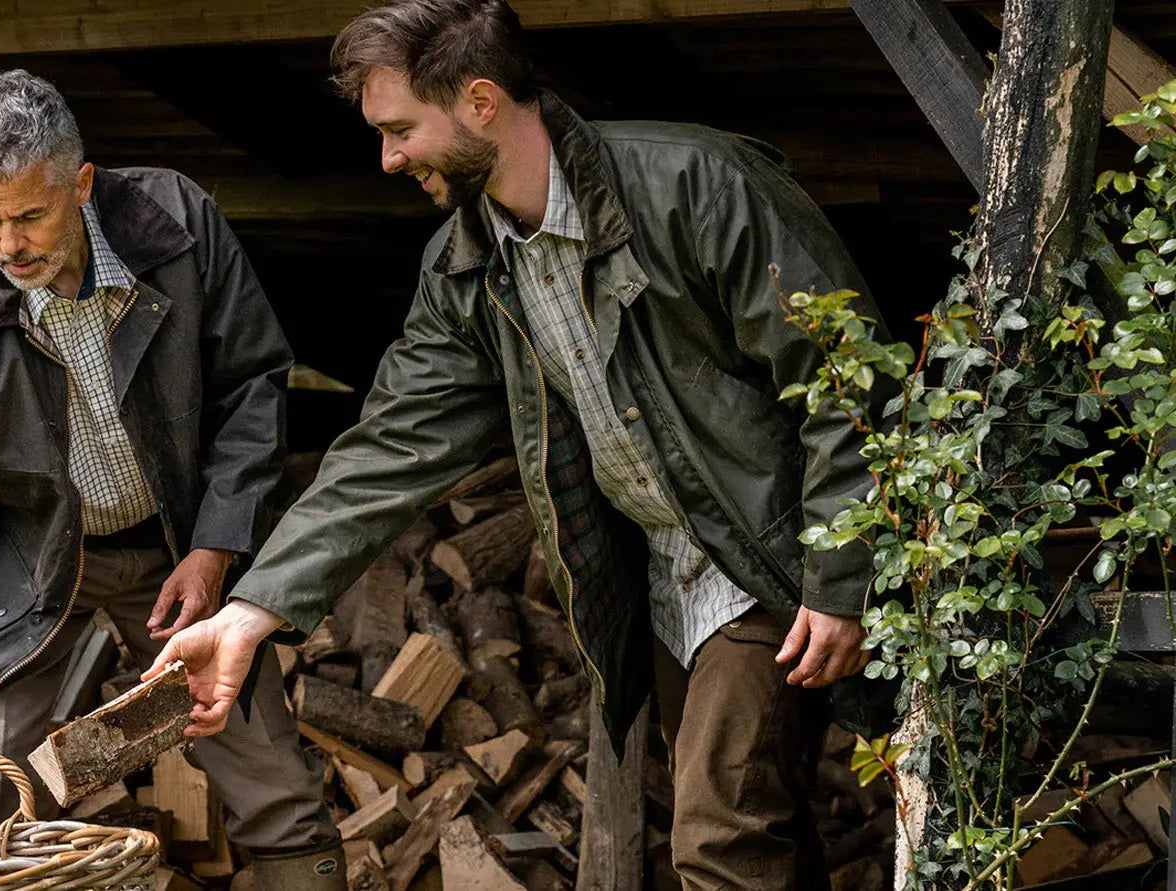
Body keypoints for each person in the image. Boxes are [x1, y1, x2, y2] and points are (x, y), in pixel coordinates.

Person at [147, 2, 889, 887]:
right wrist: (250, 612)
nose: (387, 159)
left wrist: (840, 579)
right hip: (668, 578)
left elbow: (851, 382)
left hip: (769, 552)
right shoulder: (467, 265)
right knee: (764, 825)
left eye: (400, 130)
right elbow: (389, 448)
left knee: (721, 839)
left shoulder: (697, 184)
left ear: (482, 101)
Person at [0, 69, 344, 889]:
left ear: (83, 184)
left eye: (30, 215)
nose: (9, 244)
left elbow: (253, 385)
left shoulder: (177, 225)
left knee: (274, 783)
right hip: (36, 569)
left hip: (182, 549)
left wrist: (214, 548)